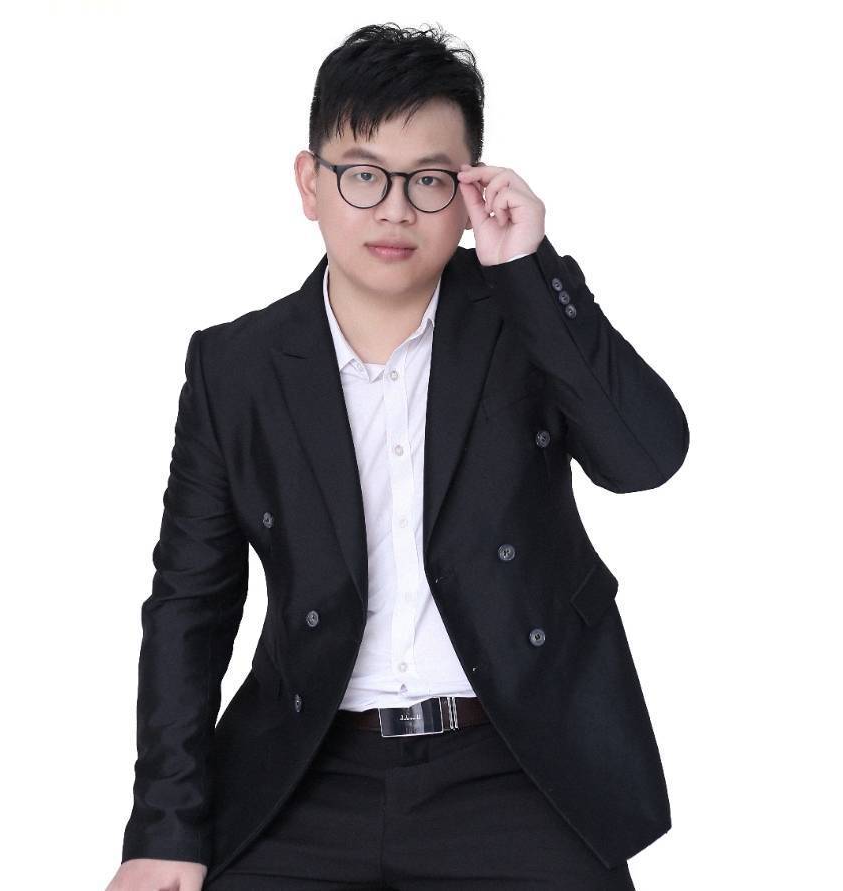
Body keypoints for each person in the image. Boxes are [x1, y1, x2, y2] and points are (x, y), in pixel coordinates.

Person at [106, 22, 689, 891]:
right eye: (362, 173)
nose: (394, 209)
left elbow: (643, 457)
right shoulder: (235, 367)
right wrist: (163, 827)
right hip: (307, 768)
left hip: (515, 768)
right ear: (310, 183)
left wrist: (529, 269)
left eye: (428, 180)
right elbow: (189, 606)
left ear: (468, 188)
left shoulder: (523, 318)